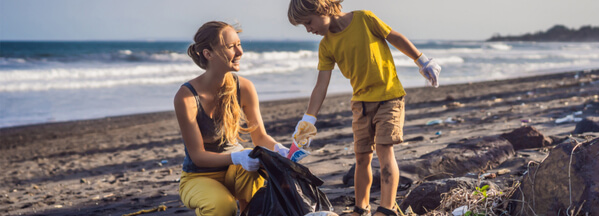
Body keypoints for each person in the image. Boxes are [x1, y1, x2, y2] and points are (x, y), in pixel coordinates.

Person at [287, 1, 441, 215]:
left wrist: (422, 60)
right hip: (360, 105)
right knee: (361, 157)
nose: (308, 29)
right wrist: (308, 119)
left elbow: (394, 37)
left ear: (321, 8)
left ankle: (387, 209)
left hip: (389, 98)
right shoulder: (326, 46)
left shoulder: (364, 19)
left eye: (308, 22)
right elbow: (321, 84)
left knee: (384, 150)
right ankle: (362, 209)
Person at [174, 21, 290, 216]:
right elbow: (198, 156)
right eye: (231, 46)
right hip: (198, 177)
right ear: (208, 54)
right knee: (223, 206)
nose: (240, 52)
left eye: (239, 44)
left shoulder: (244, 87)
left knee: (254, 160)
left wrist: (280, 149)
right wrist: (237, 157)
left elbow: (260, 137)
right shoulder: (186, 97)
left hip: (236, 172)